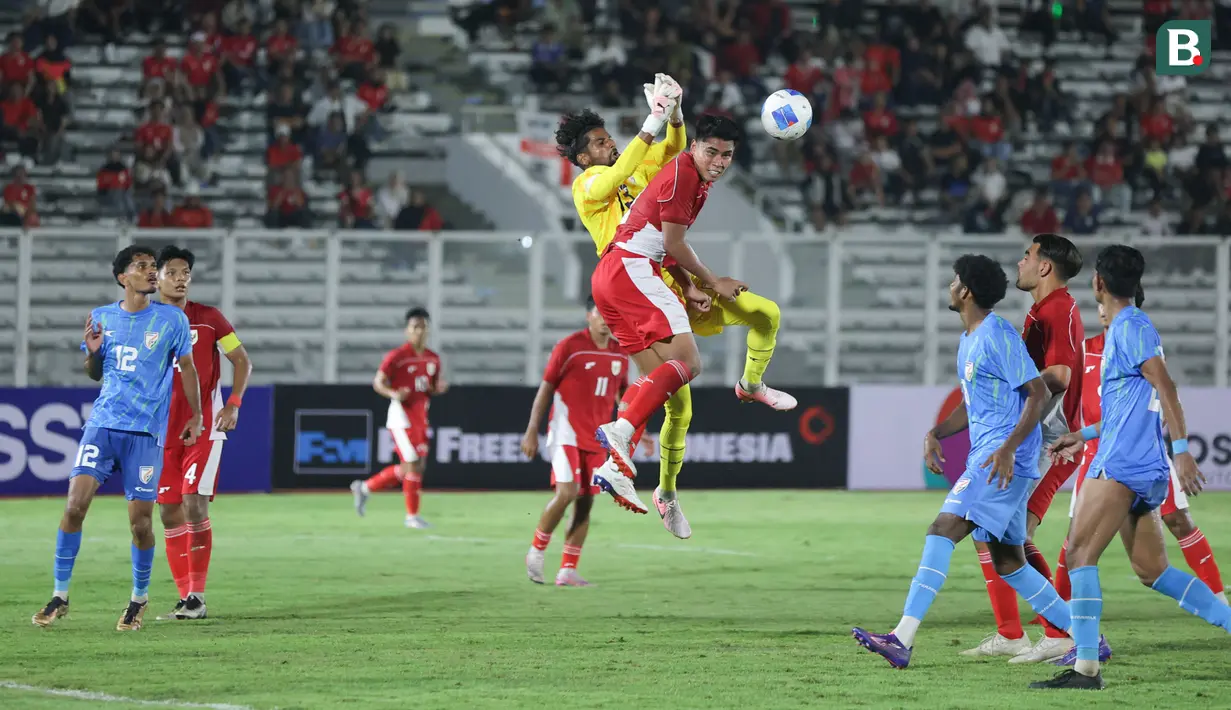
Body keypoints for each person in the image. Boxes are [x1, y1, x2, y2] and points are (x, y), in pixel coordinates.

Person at [558, 73, 792, 538]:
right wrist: (654, 118)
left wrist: (675, 115)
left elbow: (673, 152)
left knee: (691, 385)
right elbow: (632, 171)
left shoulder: (669, 171)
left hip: (662, 275)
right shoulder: (588, 184)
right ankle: (644, 463)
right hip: (635, 277)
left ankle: (645, 477)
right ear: (585, 156)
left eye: (610, 140)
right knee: (683, 385)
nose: (612, 146)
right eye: (602, 143)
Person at [851, 254, 1073, 669]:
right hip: (996, 458)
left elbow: (1037, 393)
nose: (950, 286)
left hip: (998, 461)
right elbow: (974, 405)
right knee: (1010, 563)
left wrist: (1007, 449)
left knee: (942, 530)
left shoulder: (997, 335)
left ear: (966, 291)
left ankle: (901, 638)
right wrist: (936, 433)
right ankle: (1086, 635)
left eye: (955, 280)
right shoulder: (970, 339)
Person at [1031, 245, 1231, 690]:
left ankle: (1085, 668)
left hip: (1123, 464)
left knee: (1079, 555)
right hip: (1138, 465)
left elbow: (1166, 385)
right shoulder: (1129, 327)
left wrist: (1182, 449)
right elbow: (1130, 406)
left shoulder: (1130, 326)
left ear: (1098, 283)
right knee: (1152, 571)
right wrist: (1082, 435)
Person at [32, 245, 202, 631]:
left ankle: (138, 600)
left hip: (144, 432)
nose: (151, 272)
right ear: (122, 277)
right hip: (103, 425)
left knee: (141, 524)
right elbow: (94, 371)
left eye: (152, 266)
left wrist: (196, 415)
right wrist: (92, 354)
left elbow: (187, 368)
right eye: (142, 267)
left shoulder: (171, 319)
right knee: (75, 506)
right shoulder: (101, 317)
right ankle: (60, 595)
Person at [588, 111, 747, 519]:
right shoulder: (685, 176)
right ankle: (619, 433)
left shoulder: (691, 175)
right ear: (695, 147)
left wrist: (689, 287)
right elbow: (673, 243)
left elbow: (662, 235)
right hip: (631, 269)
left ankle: (613, 467)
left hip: (612, 275)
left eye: (727, 155)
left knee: (654, 381)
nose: (719, 160)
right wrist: (713, 282)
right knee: (689, 362)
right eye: (711, 151)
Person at [966, 233, 1086, 662]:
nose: (1020, 262)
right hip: (1041, 436)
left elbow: (1059, 376)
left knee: (1012, 534)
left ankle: (1059, 633)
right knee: (989, 531)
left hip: (1053, 440)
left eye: (1027, 255)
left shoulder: (1058, 309)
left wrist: (1016, 388)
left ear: (1045, 267)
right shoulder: (1042, 309)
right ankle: (1013, 633)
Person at [152, 246, 253, 621]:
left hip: (205, 428)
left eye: (186, 273)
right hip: (161, 433)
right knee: (168, 513)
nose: (181, 279)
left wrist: (234, 403)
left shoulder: (209, 319)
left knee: (194, 502)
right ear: (157, 277)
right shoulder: (146, 321)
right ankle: (184, 597)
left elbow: (241, 359)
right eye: (173, 272)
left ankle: (197, 596)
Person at [521, 296, 629, 587]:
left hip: (597, 437)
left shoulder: (620, 354)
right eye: (600, 312)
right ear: (588, 316)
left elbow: (624, 394)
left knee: (586, 502)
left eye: (611, 312)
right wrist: (532, 430)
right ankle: (536, 551)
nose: (605, 318)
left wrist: (635, 426)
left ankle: (568, 569)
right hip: (565, 432)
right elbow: (546, 389)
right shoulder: (570, 347)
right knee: (567, 492)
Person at [350, 308, 448, 529]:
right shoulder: (397, 357)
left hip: (421, 416)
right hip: (401, 417)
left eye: (423, 326)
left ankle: (364, 488)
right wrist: (393, 393)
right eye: (415, 327)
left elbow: (430, 387)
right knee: (412, 463)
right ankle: (411, 517)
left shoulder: (433, 358)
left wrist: (438, 388)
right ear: (407, 330)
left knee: (414, 466)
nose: (419, 331)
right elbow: (378, 382)